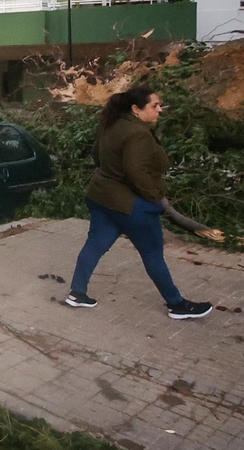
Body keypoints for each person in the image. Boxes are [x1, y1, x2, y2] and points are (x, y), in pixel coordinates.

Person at [65, 86, 213, 319]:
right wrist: (154, 198)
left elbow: (96, 154)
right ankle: (177, 305)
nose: (160, 110)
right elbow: (136, 171)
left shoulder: (111, 124)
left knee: (95, 244)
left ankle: (77, 293)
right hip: (132, 206)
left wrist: (113, 175)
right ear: (136, 109)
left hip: (100, 196)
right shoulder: (138, 133)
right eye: (154, 106)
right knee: (153, 254)